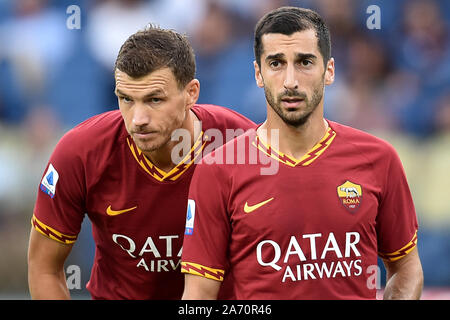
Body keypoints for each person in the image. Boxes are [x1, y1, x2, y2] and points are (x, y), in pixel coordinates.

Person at [180, 7, 423, 300]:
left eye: (305, 62)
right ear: (258, 74)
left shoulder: (378, 159)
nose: (290, 81)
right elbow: (199, 298)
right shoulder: (218, 171)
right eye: (276, 63)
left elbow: (405, 268)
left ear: (329, 70)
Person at [27, 25, 255, 300]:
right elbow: (44, 267)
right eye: (126, 99)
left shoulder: (241, 144)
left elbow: (272, 262)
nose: (138, 120)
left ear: (191, 93)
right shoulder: (79, 153)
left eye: (154, 100)